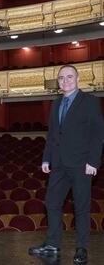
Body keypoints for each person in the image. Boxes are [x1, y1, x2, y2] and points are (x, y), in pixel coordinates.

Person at [29, 65, 104, 264]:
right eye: (61, 78)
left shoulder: (89, 101)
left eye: (69, 77)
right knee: (52, 202)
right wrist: (46, 158)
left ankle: (81, 248)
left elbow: (97, 133)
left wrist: (93, 161)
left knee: (81, 207)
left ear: (78, 78)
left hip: (82, 164)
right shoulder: (56, 103)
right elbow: (53, 134)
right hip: (60, 164)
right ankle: (52, 245)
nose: (65, 80)